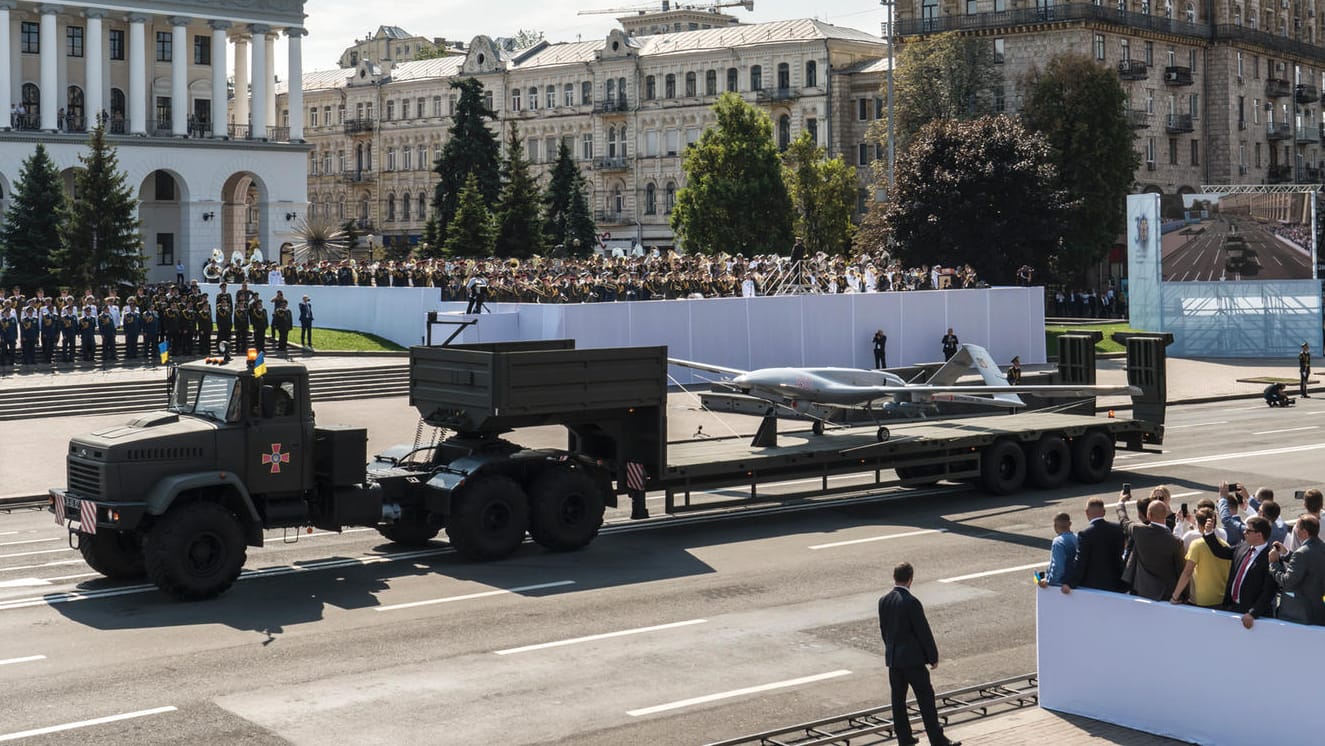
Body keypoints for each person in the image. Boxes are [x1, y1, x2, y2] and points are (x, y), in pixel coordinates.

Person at [878, 562, 961, 746]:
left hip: (893, 661)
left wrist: (892, 651)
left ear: (894, 577)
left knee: (898, 702)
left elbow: (884, 630)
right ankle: (937, 739)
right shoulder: (912, 602)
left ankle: (904, 738)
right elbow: (923, 632)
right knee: (926, 701)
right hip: (913, 662)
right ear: (910, 579)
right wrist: (933, 657)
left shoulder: (883, 600)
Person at [1202, 515, 1277, 629]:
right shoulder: (1244, 546)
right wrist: (1209, 533)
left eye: (1248, 531)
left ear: (1259, 535)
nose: (1244, 532)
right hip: (1232, 607)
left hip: (1251, 617)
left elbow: (1268, 592)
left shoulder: (1270, 558)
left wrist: (1253, 613)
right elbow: (1222, 552)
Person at [1062, 496, 1127, 594]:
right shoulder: (1118, 528)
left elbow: (1081, 561)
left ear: (1087, 513)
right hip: (1117, 583)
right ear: (1104, 512)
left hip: (1095, 585)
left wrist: (1070, 583)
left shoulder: (1085, 534)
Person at [1268, 513, 1325, 625]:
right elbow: (1308, 563)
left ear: (1304, 531)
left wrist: (1273, 563)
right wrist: (1286, 553)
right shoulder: (1321, 546)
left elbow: (1287, 581)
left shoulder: (1301, 553)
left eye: (1297, 527)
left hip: (1300, 613)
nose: (1295, 529)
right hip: (1318, 608)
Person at [1123, 499, 1185, 601]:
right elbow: (1181, 571)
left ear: (1149, 515)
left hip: (1141, 590)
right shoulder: (1176, 542)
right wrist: (1181, 596)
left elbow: (1124, 521)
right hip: (1166, 595)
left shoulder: (1138, 530)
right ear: (1165, 514)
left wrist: (1121, 504)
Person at [1170, 507, 1231, 607]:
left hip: (1201, 599)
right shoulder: (1225, 544)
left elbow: (1187, 572)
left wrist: (1175, 596)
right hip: (1222, 597)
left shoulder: (1197, 545)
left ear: (1198, 524)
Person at [1040, 512, 1076, 587]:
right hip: (1074, 582)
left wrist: (1049, 580)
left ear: (1055, 526)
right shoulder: (1078, 537)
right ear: (1070, 524)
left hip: (1061, 584)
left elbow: (1058, 567)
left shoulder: (1058, 542)